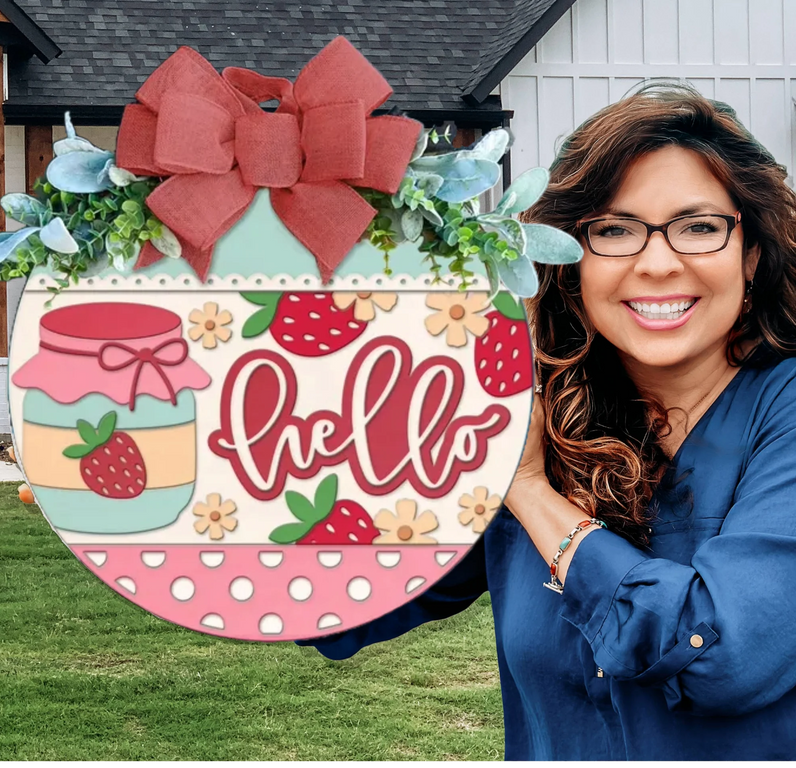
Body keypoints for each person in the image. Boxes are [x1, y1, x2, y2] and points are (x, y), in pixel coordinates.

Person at [297, 82, 796, 761]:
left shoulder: (781, 414)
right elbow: (342, 601)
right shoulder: (535, 411)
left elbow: (724, 655)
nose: (656, 262)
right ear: (571, 261)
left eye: (699, 227)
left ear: (753, 252)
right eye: (614, 230)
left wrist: (530, 490)